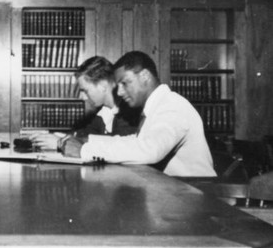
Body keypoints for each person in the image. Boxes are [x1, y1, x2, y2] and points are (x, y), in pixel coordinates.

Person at [62, 51, 216, 177]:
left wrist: (85, 150)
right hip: (175, 190)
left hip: (196, 193)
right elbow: (135, 141)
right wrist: (88, 143)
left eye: (124, 83)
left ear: (144, 76)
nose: (120, 92)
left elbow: (151, 150)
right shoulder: (157, 105)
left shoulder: (172, 106)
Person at [30, 56, 141, 151]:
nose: (81, 97)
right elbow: (86, 135)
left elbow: (115, 148)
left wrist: (60, 143)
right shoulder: (104, 111)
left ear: (103, 85)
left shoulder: (129, 113)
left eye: (85, 90)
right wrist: (59, 136)